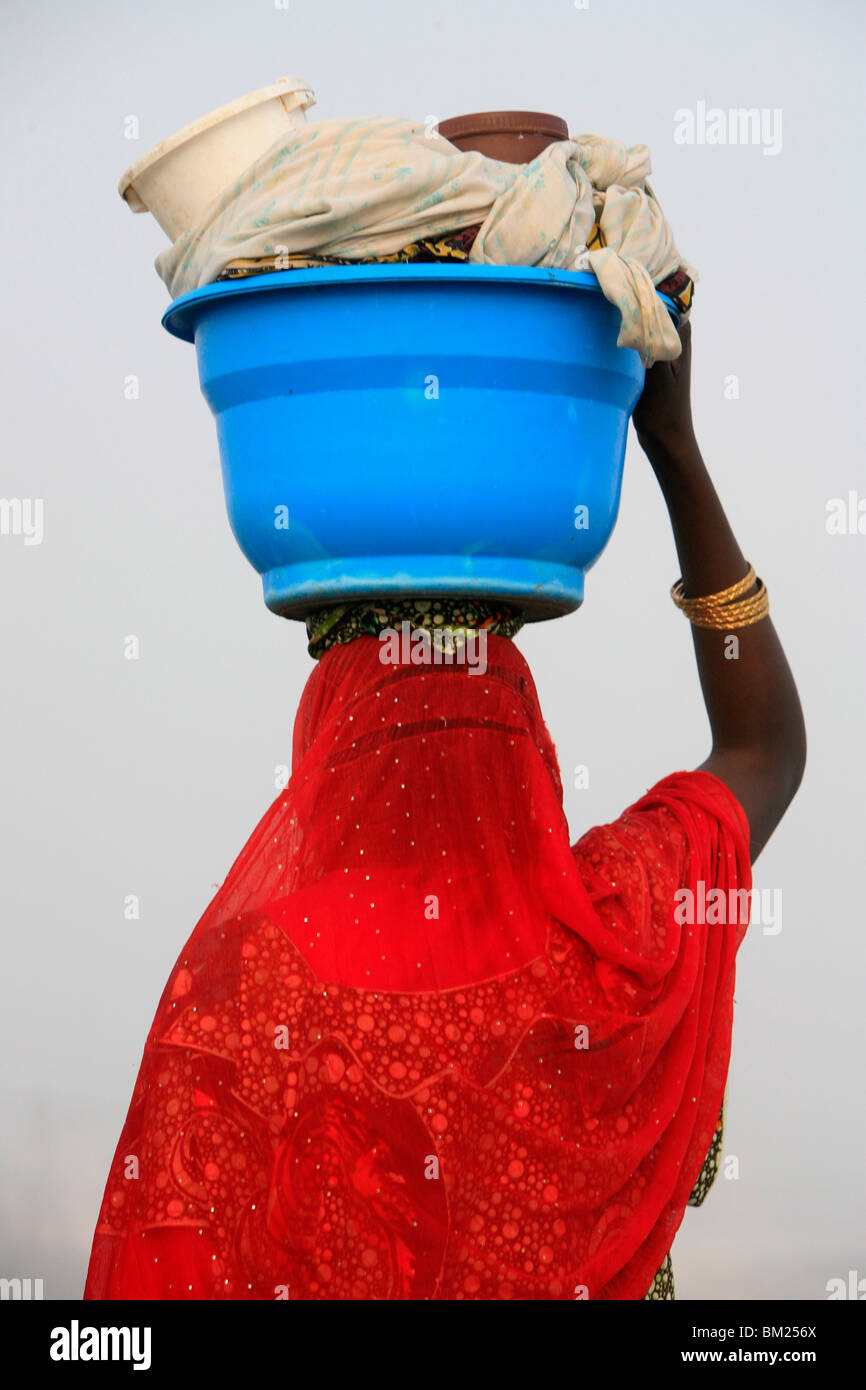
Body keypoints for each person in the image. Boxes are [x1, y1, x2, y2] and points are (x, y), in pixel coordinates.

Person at [83, 321, 805, 1301]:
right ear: (527, 746)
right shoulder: (612, 938)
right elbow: (760, 749)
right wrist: (673, 447)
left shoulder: (241, 989)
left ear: (328, 748)